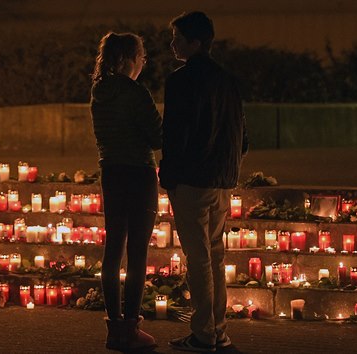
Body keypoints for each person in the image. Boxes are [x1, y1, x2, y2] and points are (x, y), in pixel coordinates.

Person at [159, 11, 248, 353]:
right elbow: (242, 134)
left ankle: (203, 334)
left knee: (198, 260)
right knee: (215, 257)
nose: (172, 45)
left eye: (178, 39)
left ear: (195, 43)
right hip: (223, 180)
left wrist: (169, 178)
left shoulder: (181, 81)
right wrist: (231, 167)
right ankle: (218, 330)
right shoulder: (228, 80)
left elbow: (175, 135)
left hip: (193, 182)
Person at [90, 32, 162, 351]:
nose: (142, 64)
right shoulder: (135, 92)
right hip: (139, 173)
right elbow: (157, 137)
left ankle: (113, 326)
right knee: (137, 251)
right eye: (142, 57)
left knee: (113, 247)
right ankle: (131, 327)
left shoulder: (99, 91)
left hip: (112, 172)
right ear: (129, 58)